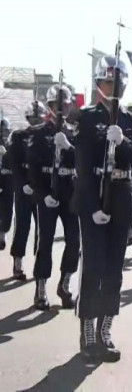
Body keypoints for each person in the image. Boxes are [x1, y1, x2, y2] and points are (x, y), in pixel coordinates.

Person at [73, 55, 132, 362]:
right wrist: (92, 206)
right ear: (98, 84)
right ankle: (88, 331)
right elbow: (81, 164)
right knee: (92, 266)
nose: (113, 86)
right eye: (108, 81)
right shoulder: (86, 117)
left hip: (121, 196)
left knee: (114, 270)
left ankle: (106, 330)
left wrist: (124, 144)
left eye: (118, 81)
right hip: (93, 196)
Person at [26, 85, 80, 310]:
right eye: (58, 105)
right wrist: (42, 194)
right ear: (50, 106)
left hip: (69, 190)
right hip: (48, 188)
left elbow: (84, 161)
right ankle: (40, 290)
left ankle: (65, 285)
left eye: (66, 104)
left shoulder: (75, 133)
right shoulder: (39, 133)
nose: (62, 108)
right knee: (45, 242)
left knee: (74, 241)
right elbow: (33, 169)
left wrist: (68, 146)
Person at [7, 101, 43, 280]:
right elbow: (13, 162)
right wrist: (22, 184)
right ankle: (18, 262)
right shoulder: (19, 136)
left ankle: (39, 261)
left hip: (41, 188)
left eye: (39, 117)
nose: (36, 120)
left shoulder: (46, 136)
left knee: (42, 230)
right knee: (22, 225)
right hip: (24, 187)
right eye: (33, 117)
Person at [0, 116, 13, 252]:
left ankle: (2, 235)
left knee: (7, 209)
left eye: (5, 131)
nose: (3, 134)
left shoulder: (11, 145)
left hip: (8, 179)